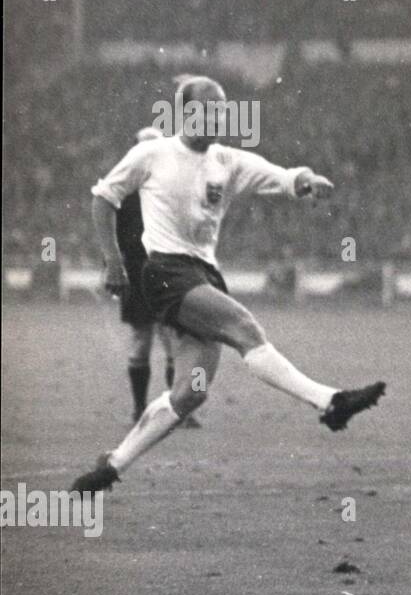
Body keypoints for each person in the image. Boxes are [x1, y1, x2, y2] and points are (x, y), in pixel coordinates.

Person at [72, 76, 385, 494]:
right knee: (245, 328)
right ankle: (331, 402)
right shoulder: (152, 154)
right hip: (165, 271)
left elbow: (280, 175)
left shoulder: (227, 161)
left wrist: (306, 180)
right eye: (204, 110)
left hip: (203, 273)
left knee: (190, 393)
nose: (214, 118)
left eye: (220, 111)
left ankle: (110, 467)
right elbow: (103, 197)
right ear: (183, 113)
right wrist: (114, 262)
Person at [114, 126, 198, 427]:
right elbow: (115, 234)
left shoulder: (172, 188)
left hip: (167, 272)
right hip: (138, 274)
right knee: (143, 339)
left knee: (173, 340)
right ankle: (140, 410)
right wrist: (114, 265)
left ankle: (176, 410)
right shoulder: (123, 190)